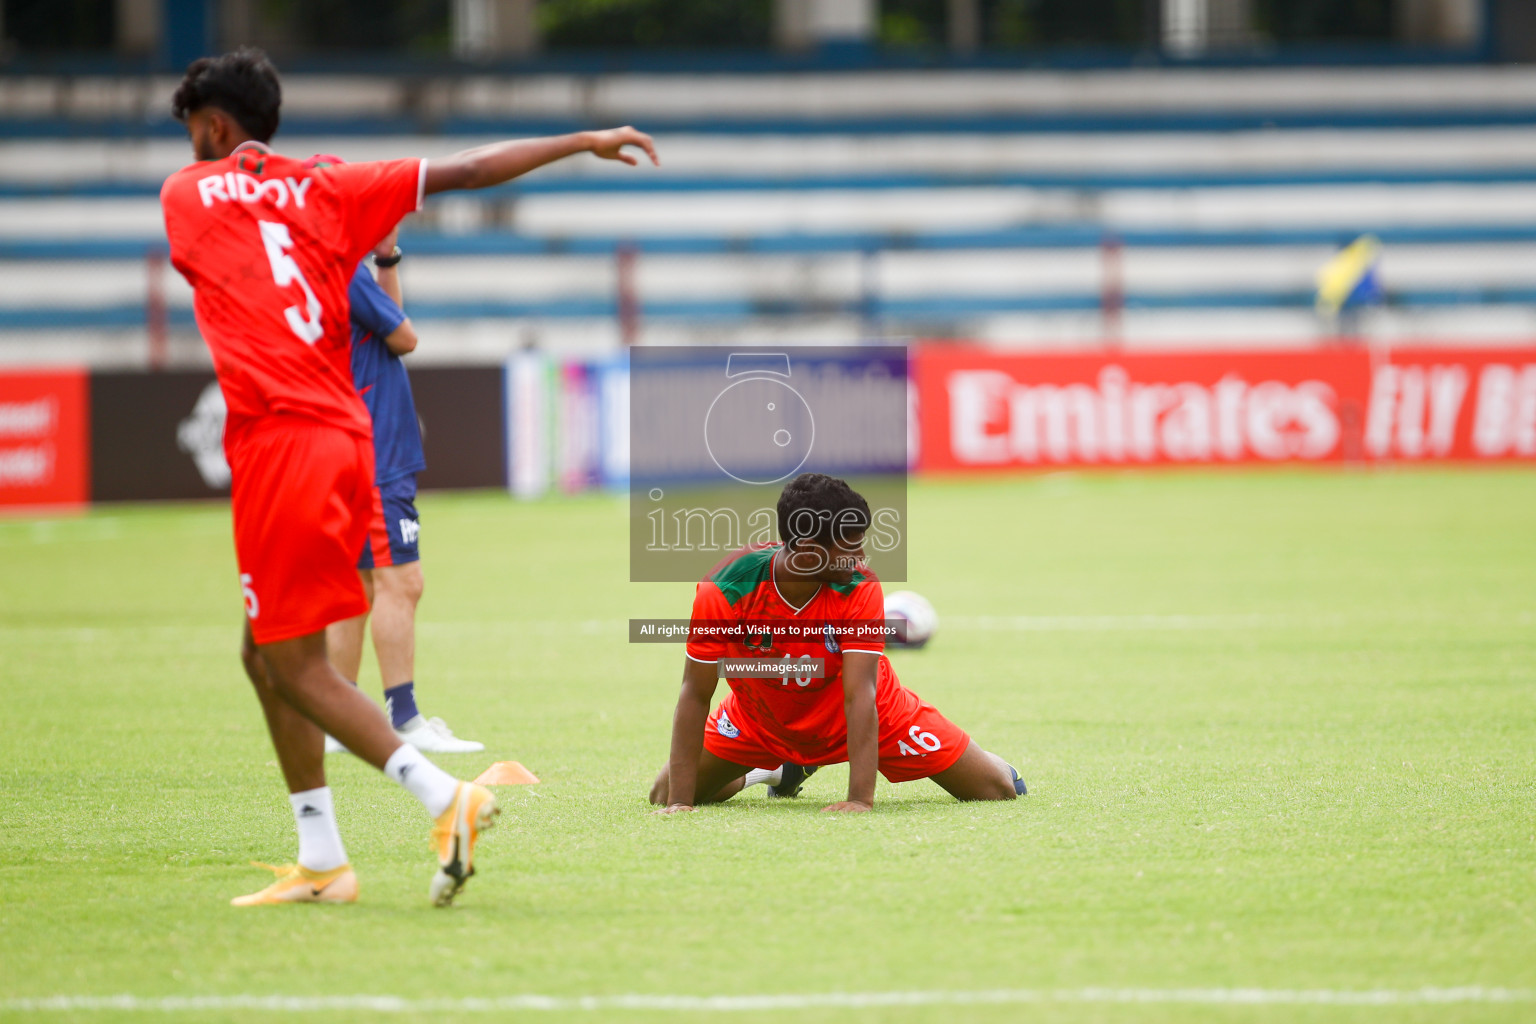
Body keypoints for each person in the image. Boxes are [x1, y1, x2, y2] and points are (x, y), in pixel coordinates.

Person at [160, 47, 658, 905]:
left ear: (212, 126)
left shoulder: (186, 192)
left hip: (284, 442)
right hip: (348, 437)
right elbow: (468, 168)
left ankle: (444, 795)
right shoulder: (333, 184)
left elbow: (226, 252)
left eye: (194, 134)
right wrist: (583, 138)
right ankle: (323, 859)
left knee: (298, 666)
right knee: (265, 654)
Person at [649, 473, 1026, 814]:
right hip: (759, 719)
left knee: (998, 789)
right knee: (666, 791)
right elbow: (695, 693)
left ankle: (980, 759)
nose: (862, 557)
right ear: (809, 549)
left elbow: (860, 692)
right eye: (851, 547)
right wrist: (680, 804)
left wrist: (860, 798)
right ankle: (776, 770)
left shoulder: (860, 586)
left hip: (872, 714)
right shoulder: (725, 590)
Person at [321, 213, 484, 755]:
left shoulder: (329, 271)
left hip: (356, 444)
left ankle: (339, 717)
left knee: (362, 585)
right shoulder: (343, 272)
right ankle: (404, 718)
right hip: (374, 449)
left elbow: (389, 332)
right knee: (401, 582)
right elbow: (405, 336)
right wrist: (378, 264)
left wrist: (385, 258)